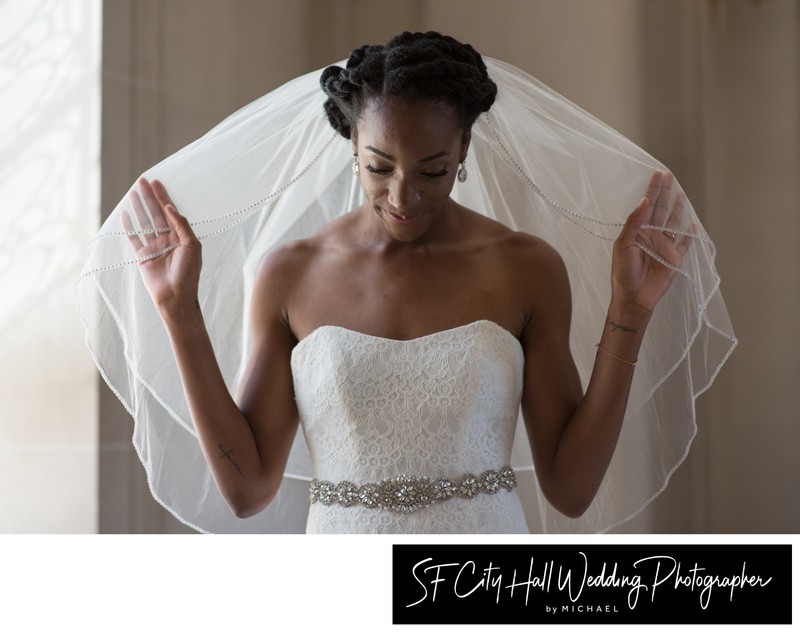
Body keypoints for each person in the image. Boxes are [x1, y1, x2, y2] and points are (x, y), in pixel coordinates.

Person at [78, 32, 735, 534]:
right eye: (379, 166)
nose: (402, 195)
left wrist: (630, 310)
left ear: (466, 151)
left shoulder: (525, 267)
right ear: (350, 147)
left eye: (433, 169)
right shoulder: (291, 272)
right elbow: (248, 488)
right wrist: (178, 313)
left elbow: (570, 488)